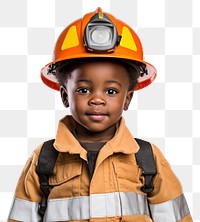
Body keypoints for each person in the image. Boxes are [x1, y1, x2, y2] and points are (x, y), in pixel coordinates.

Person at [8, 8, 192, 222]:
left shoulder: (146, 159)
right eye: (84, 90)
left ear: (128, 98)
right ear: (65, 95)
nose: (97, 99)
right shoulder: (45, 159)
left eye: (111, 91)